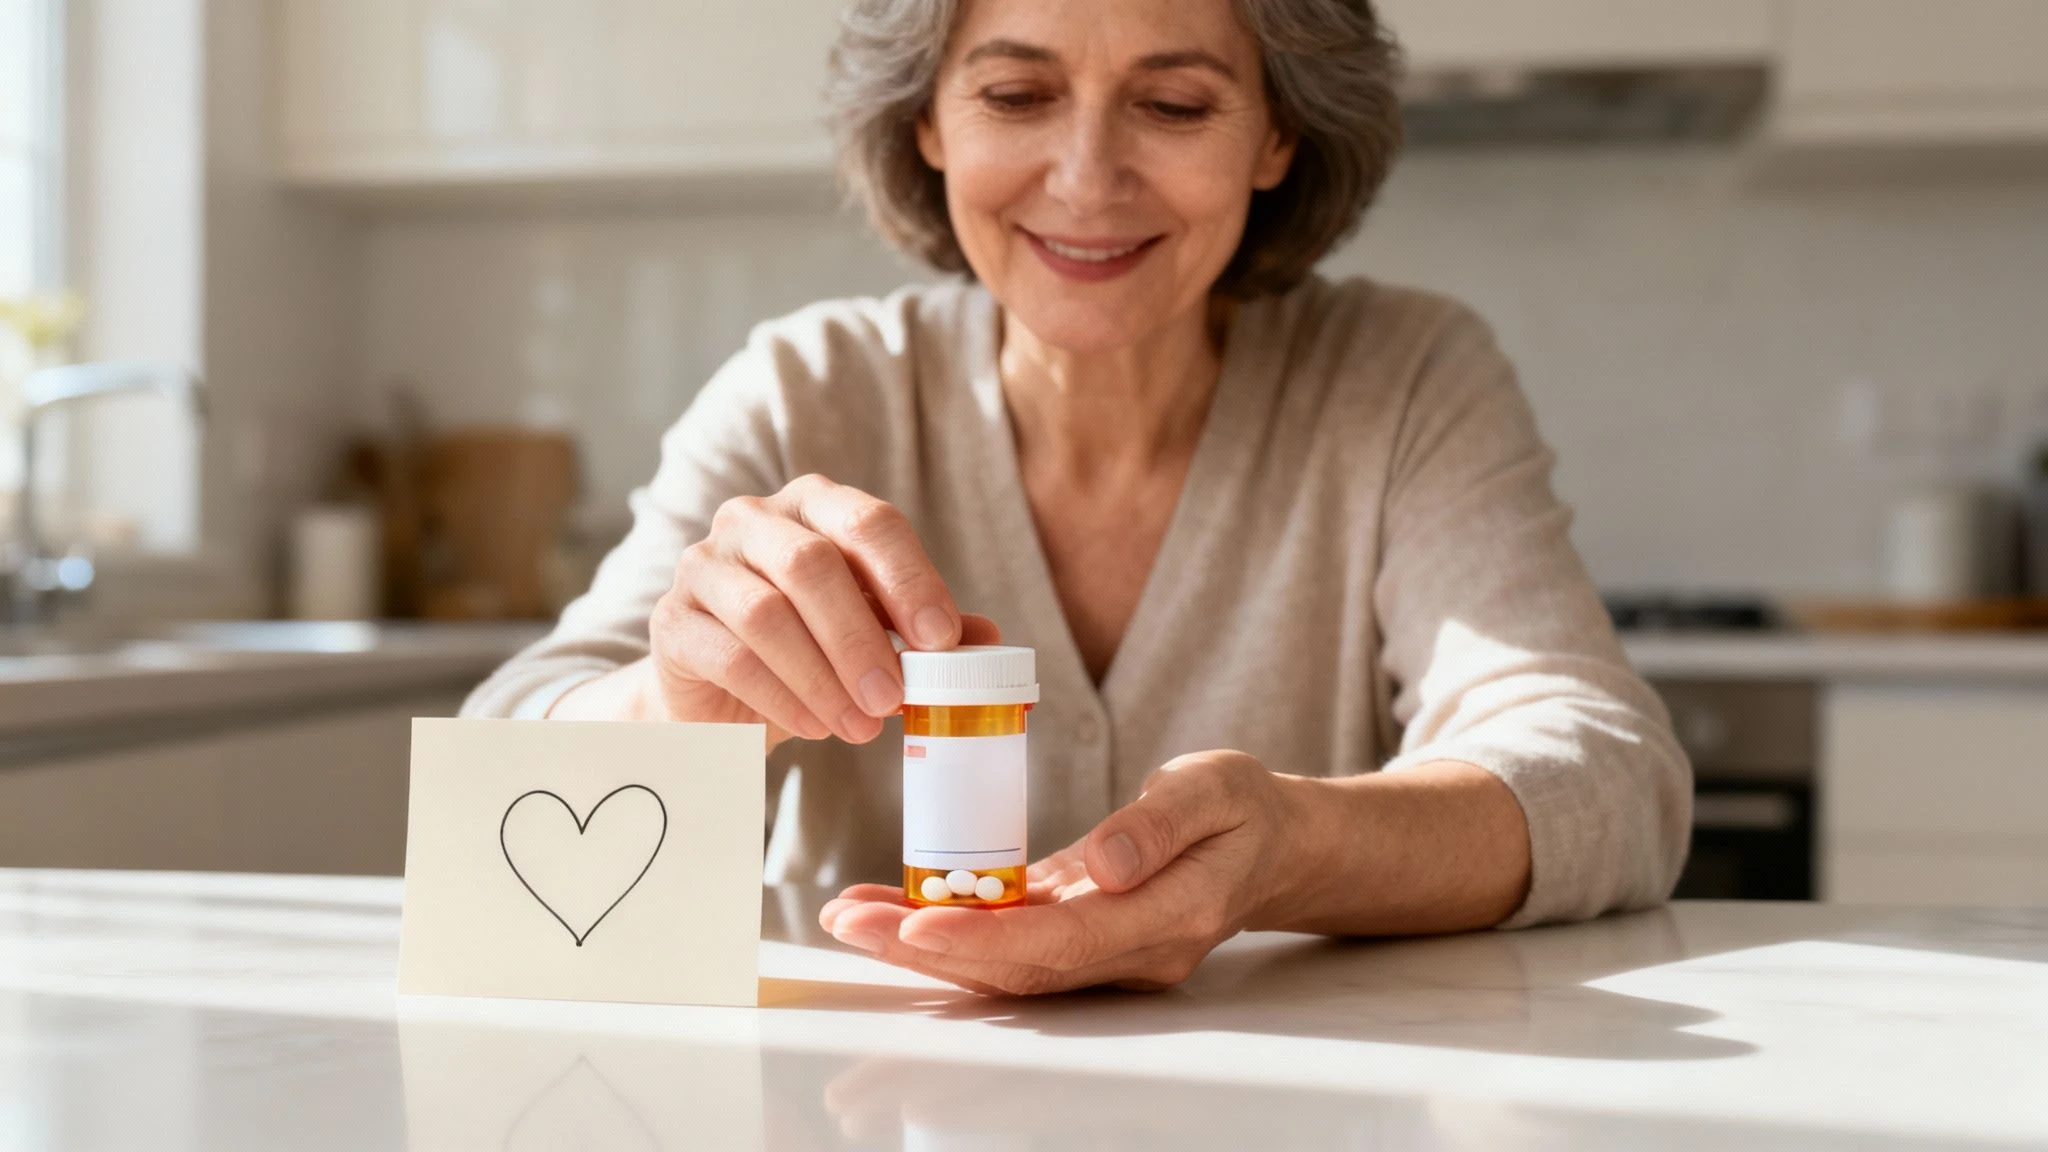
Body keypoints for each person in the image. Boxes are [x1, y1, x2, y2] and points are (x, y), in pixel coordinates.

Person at [464, 0, 1691, 995]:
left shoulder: (1402, 376)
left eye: (1171, 104)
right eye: (1013, 95)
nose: (1087, 176)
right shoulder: (806, 389)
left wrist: (1289, 853)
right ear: (929, 123)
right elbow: (500, 785)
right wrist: (675, 701)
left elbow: (1604, 775)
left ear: (1275, 137)